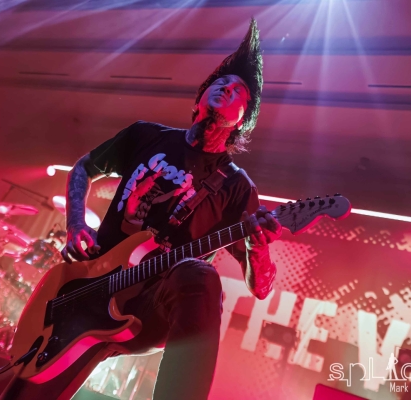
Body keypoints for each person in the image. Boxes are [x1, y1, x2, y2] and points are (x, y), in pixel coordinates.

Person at [59, 18, 281, 400]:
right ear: (200, 97)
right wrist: (76, 223)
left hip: (151, 302)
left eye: (239, 92)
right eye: (221, 82)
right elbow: (83, 168)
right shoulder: (145, 135)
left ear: (242, 121)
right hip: (91, 282)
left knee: (199, 274)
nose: (227, 87)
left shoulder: (236, 187)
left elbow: (261, 288)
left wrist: (257, 248)